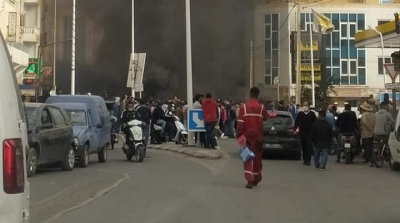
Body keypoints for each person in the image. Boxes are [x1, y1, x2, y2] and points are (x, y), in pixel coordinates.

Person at [236, 87, 268, 189]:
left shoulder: (243, 108)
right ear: (258, 96)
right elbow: (266, 117)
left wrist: (238, 134)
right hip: (258, 136)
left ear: (250, 95)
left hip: (247, 136)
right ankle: (257, 178)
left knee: (247, 158)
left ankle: (249, 180)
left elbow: (240, 123)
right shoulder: (261, 107)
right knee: (257, 158)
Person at [294, 102, 317, 166]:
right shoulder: (300, 114)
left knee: (308, 146)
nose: (305, 107)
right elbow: (296, 122)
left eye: (306, 105)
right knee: (303, 146)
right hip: (302, 132)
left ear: (308, 106)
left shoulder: (312, 114)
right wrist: (295, 129)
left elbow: (315, 123)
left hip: (310, 132)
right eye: (304, 105)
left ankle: (308, 160)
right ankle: (305, 159)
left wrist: (315, 131)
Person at [359, 102, 376, 167]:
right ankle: (370, 159)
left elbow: (364, 122)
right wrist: (372, 129)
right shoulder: (373, 114)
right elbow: (375, 122)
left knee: (366, 146)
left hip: (365, 132)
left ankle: (368, 159)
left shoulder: (364, 114)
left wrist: (369, 128)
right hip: (372, 133)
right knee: (371, 146)